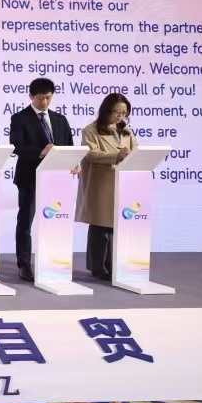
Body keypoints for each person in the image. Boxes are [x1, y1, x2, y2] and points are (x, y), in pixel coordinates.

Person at [9, 77, 74, 282]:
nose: (44, 102)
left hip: (56, 179)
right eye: (40, 98)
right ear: (31, 96)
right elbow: (16, 146)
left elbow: (69, 146)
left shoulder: (60, 120)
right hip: (29, 177)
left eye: (48, 97)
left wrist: (74, 162)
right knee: (26, 221)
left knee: (55, 221)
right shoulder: (19, 118)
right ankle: (24, 264)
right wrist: (41, 151)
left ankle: (52, 260)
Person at [76, 92, 136, 281]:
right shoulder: (91, 130)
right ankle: (97, 267)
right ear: (106, 111)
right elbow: (89, 154)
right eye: (117, 112)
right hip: (100, 183)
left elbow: (135, 151)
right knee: (100, 226)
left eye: (124, 113)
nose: (120, 116)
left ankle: (112, 265)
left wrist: (132, 155)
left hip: (121, 182)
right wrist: (115, 156)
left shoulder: (126, 131)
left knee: (115, 226)